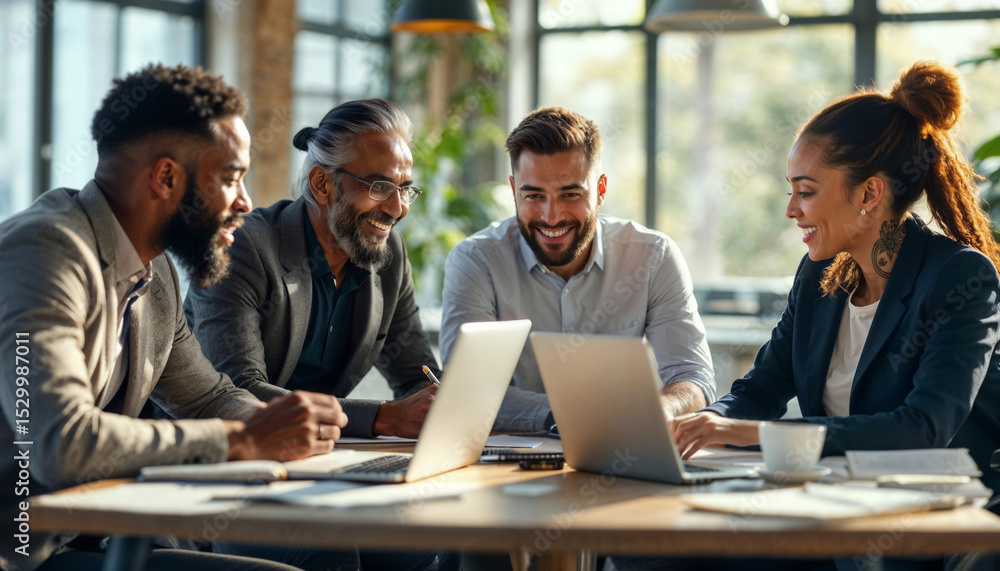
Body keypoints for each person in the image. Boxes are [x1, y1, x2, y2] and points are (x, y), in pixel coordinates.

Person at [620, 61, 1000, 571]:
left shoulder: (957, 277)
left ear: (869, 195)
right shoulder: (820, 279)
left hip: (918, 518)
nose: (791, 210)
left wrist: (756, 435)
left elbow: (921, 428)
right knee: (647, 550)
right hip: (831, 501)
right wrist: (707, 421)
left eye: (806, 190)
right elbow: (760, 390)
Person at [0, 64, 347, 571]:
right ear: (165, 177)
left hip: (102, 532)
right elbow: (59, 443)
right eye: (231, 178)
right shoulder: (44, 251)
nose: (246, 203)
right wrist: (244, 440)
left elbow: (205, 395)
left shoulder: (154, 267)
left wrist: (304, 438)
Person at [184, 98, 448, 571]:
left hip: (320, 468)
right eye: (380, 186)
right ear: (323, 184)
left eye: (406, 189)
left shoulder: (386, 254)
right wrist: (384, 418)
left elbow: (414, 371)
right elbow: (236, 391)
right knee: (335, 551)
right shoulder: (243, 248)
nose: (397, 208)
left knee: (433, 537)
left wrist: (444, 404)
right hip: (231, 474)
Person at [440, 106, 715, 433]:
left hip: (620, 454)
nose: (551, 216)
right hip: (508, 462)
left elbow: (693, 377)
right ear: (514, 190)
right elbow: (468, 388)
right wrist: (572, 417)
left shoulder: (653, 257)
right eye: (534, 195)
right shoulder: (476, 261)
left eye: (570, 194)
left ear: (600, 190)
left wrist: (661, 411)